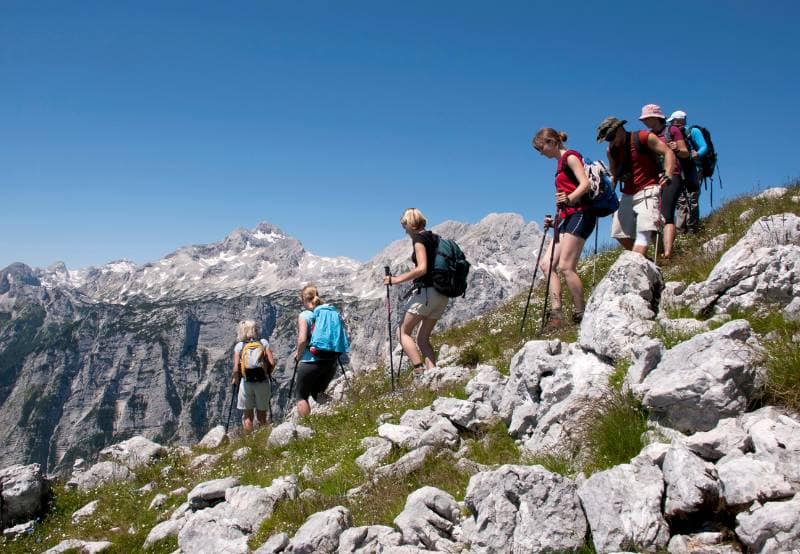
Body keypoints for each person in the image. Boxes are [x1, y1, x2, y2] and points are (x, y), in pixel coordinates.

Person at [532, 128, 596, 330]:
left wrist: (569, 199)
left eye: (541, 148)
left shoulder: (570, 157)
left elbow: (585, 184)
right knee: (546, 264)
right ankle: (556, 314)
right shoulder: (560, 164)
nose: (541, 153)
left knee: (566, 266)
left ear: (551, 142)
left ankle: (580, 313)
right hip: (566, 217)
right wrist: (554, 222)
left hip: (580, 214)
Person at [596, 116, 675, 258]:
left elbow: (668, 152)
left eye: (612, 136)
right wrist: (604, 196)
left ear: (620, 129)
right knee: (618, 232)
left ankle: (640, 263)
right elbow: (614, 175)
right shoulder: (611, 150)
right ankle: (645, 261)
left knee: (644, 229)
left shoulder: (643, 137)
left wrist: (668, 174)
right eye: (608, 139)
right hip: (627, 193)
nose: (611, 140)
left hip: (649, 188)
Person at [383, 208, 449, 377]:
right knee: (423, 339)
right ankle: (434, 377)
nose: (404, 230)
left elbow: (422, 268)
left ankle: (419, 371)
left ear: (410, 224)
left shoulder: (419, 239)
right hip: (442, 295)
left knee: (402, 332)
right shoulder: (435, 238)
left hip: (426, 293)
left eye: (404, 226)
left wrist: (396, 279)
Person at [638, 104, 689, 260]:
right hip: (655, 180)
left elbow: (685, 153)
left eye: (647, 118)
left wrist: (676, 149)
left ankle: (667, 253)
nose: (645, 122)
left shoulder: (672, 130)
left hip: (673, 175)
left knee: (667, 213)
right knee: (652, 216)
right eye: (644, 119)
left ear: (656, 117)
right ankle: (659, 251)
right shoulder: (648, 136)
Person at [293, 285, 338, 417]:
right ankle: (339, 412)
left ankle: (306, 428)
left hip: (311, 361)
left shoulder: (305, 315)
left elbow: (302, 340)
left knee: (301, 397)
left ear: (303, 299)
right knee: (318, 392)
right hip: (331, 361)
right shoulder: (328, 312)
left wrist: (298, 354)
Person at [231, 320, 275, 432]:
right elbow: (272, 363)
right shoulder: (263, 342)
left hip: (246, 383)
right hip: (262, 382)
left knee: (247, 415)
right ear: (255, 330)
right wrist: (267, 373)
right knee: (262, 414)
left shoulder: (239, 346)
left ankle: (248, 442)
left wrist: (235, 379)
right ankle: (262, 439)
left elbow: (236, 368)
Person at [668, 110, 703, 233]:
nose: (671, 124)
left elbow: (704, 147)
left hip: (695, 169)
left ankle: (693, 227)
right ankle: (681, 230)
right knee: (682, 200)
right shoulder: (674, 133)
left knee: (692, 197)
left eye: (672, 121)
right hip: (681, 169)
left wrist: (697, 154)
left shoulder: (693, 131)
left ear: (677, 120)